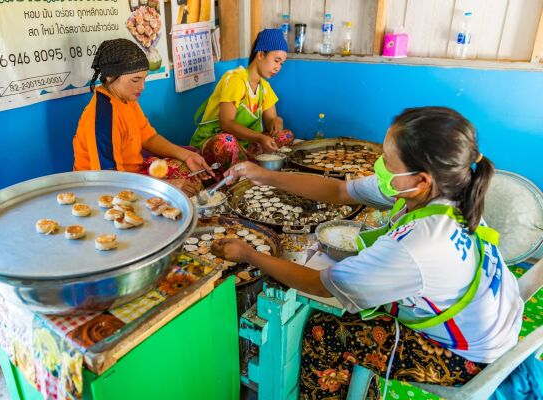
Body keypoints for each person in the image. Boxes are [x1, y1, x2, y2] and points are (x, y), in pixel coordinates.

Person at [212, 107, 523, 398]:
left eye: (387, 160)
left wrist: (249, 254)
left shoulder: (418, 245)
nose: (380, 166)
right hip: (496, 319)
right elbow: (338, 191)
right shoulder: (448, 188)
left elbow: (320, 284)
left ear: (421, 180)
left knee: (326, 331)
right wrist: (264, 175)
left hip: (470, 356)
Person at [73, 38, 213, 197]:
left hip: (131, 174)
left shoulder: (125, 98)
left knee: (189, 171)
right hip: (103, 190)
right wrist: (165, 187)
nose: (142, 87)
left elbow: (148, 137)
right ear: (110, 76)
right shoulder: (103, 118)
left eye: (144, 79)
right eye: (135, 80)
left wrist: (186, 155)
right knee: (178, 193)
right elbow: (109, 180)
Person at [190, 28, 294, 175]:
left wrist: (277, 121)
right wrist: (259, 137)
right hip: (215, 141)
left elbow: (271, 120)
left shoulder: (265, 88)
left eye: (282, 64)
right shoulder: (235, 80)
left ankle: (250, 165)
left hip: (244, 142)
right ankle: (232, 179)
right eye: (276, 60)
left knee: (285, 136)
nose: (278, 67)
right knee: (227, 142)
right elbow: (226, 123)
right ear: (260, 54)